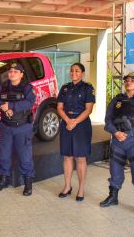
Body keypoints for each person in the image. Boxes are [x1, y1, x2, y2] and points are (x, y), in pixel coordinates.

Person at [100, 71, 134, 217]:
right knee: (115, 171)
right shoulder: (117, 100)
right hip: (117, 140)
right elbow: (108, 119)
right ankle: (113, 197)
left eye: (133, 80)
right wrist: (115, 132)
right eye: (127, 80)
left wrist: (128, 134)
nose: (128, 82)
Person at [0, 63, 36, 196]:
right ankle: (3, 180)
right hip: (6, 126)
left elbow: (29, 102)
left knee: (25, 157)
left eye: (16, 71)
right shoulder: (3, 86)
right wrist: (2, 106)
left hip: (22, 127)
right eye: (10, 71)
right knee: (3, 155)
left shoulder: (27, 88)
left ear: (21, 74)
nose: (12, 73)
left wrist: (11, 106)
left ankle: (28, 184)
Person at [57, 63, 95, 201]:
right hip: (66, 124)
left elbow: (89, 109)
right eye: (72, 70)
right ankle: (67, 186)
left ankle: (81, 189)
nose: (73, 73)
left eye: (77, 71)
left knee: (80, 157)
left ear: (82, 73)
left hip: (81, 125)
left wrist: (75, 121)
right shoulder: (65, 88)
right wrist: (68, 120)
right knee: (67, 156)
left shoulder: (87, 88)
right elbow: (59, 107)